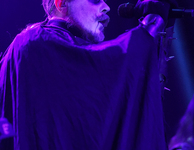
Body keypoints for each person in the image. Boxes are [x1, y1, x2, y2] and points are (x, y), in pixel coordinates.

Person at [0, 0, 174, 149]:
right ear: (61, 3)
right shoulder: (37, 42)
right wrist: (153, 23)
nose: (106, 7)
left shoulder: (36, 45)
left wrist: (161, 33)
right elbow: (118, 68)